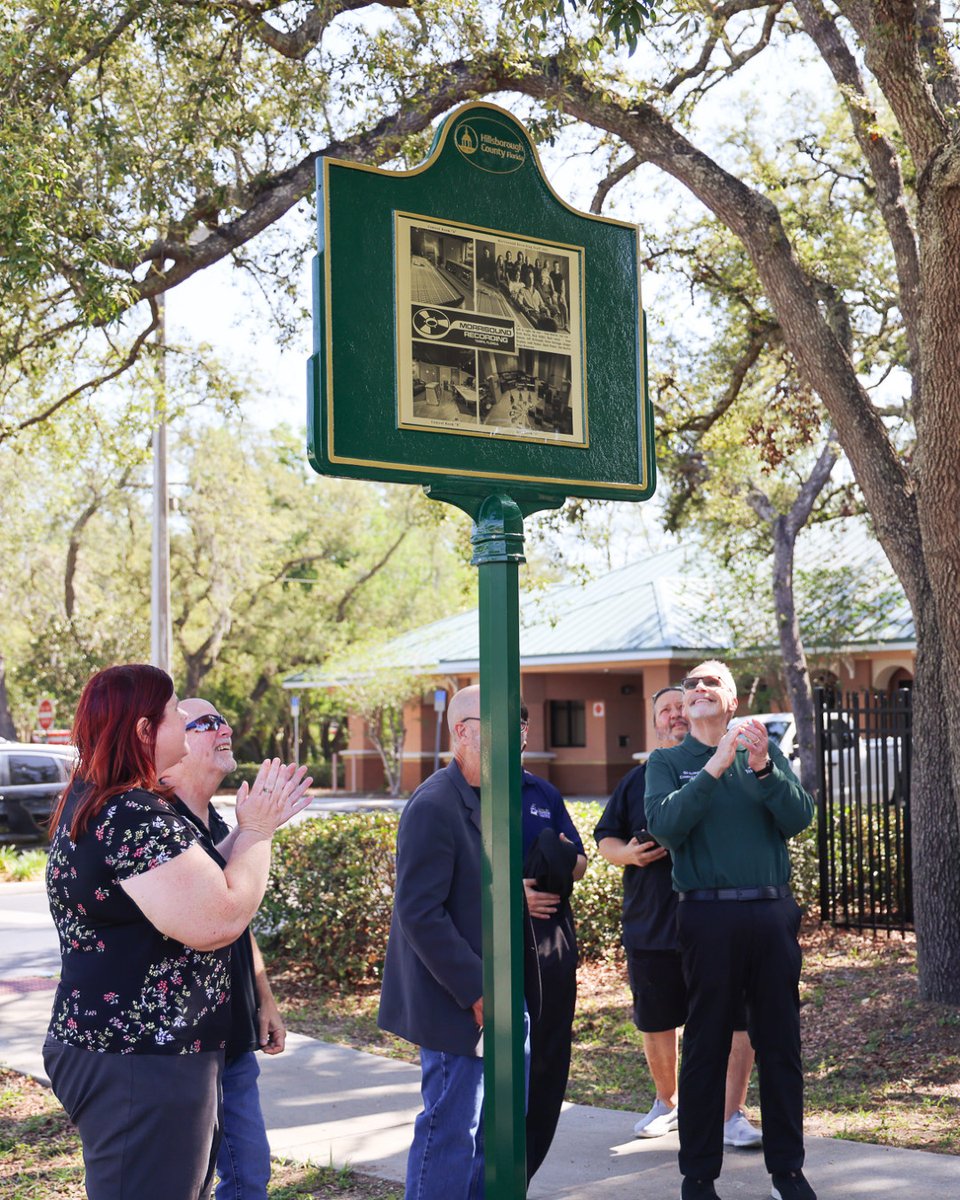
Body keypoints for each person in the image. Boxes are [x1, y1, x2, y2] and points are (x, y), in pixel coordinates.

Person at [43, 664, 311, 1200]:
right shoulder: (132, 815)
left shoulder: (108, 799)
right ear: (144, 731)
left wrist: (254, 826)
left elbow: (204, 877)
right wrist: (256, 830)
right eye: (171, 714)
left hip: (140, 1053)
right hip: (141, 1060)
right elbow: (218, 919)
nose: (183, 722)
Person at [645, 661, 815, 1200]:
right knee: (706, 1046)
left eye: (711, 683)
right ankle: (698, 1178)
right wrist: (717, 765)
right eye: (692, 684)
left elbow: (799, 818)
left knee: (781, 1045)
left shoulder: (764, 756)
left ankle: (787, 1172)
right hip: (706, 916)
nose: (698, 690)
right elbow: (666, 825)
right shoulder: (668, 762)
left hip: (770, 913)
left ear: (733, 702)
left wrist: (763, 769)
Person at [378, 684, 534, 1200]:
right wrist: (477, 991)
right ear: (464, 733)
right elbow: (419, 912)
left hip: (506, 997)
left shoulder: (496, 797)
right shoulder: (434, 804)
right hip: (458, 1003)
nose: (520, 735)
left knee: (500, 1132)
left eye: (521, 724)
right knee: (451, 1131)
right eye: (505, 726)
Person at [594, 685, 761, 1149]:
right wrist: (628, 853)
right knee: (657, 1017)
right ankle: (668, 1104)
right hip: (653, 921)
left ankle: (730, 1115)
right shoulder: (639, 779)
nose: (673, 715)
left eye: (679, 707)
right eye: (664, 710)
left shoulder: (732, 767)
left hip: (719, 918)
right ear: (655, 722)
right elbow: (605, 839)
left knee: (737, 1018)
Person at [163, 699, 290, 1200]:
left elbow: (236, 918)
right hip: (182, 1047)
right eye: (207, 722)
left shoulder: (216, 822)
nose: (226, 729)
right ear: (174, 739)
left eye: (225, 720)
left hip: (234, 1036)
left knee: (249, 1175)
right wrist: (256, 830)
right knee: (179, 1182)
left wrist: (264, 997)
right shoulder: (157, 824)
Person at [519, 702, 587, 1180]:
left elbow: (580, 862)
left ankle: (522, 1175)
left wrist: (556, 859)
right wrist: (507, 896)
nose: (515, 731)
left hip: (552, 946)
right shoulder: (459, 794)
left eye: (520, 724)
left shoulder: (543, 792)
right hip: (496, 951)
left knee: (547, 1063)